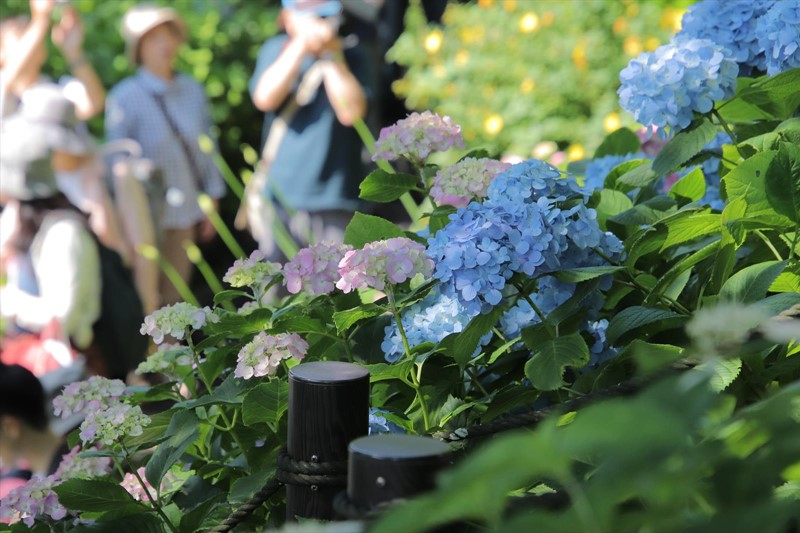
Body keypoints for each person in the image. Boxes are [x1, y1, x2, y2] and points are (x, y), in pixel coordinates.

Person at [105, 4, 227, 307]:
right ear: (139, 48)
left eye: (168, 35)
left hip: (185, 210)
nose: (164, 44)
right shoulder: (123, 97)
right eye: (154, 38)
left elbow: (207, 147)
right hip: (143, 216)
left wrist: (212, 198)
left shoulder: (193, 90)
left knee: (175, 299)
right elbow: (115, 161)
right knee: (144, 300)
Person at [246, 0, 370, 261]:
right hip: (279, 196)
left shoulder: (352, 52)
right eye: (309, 17)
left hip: (335, 196)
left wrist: (331, 56)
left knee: (340, 281)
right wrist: (300, 45)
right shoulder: (275, 49)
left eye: (323, 17)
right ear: (287, 18)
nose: (318, 24)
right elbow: (264, 98)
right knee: (277, 282)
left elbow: (351, 112)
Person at [0, 113, 101, 365]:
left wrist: (9, 302)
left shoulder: (63, 234)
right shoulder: (24, 226)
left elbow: (64, 317)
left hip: (68, 364)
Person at [0, 0, 105, 119]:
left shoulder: (59, 87)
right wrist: (40, 20)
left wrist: (73, 51)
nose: (36, 38)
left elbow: (94, 104)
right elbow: (7, 80)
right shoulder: (4, 89)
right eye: (21, 31)